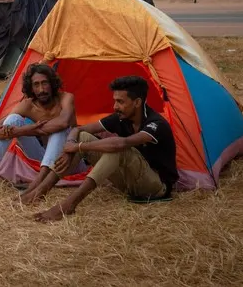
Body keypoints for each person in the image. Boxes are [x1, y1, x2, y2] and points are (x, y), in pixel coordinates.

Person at [34, 75, 178, 223]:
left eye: (120, 102)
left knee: (118, 148)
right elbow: (78, 130)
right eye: (115, 100)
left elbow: (121, 144)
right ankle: (40, 191)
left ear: (137, 102)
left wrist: (78, 147)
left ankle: (69, 204)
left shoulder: (156, 123)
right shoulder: (121, 117)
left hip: (155, 187)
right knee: (83, 135)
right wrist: (70, 146)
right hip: (128, 183)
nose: (115, 106)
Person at [0, 63, 79, 199]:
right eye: (36, 85)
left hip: (68, 160)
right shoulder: (29, 105)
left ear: (52, 83)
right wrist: (24, 129)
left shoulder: (66, 98)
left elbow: (63, 123)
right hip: (43, 159)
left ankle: (37, 185)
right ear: (31, 88)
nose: (41, 89)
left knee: (59, 131)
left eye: (45, 83)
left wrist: (25, 131)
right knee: (13, 119)